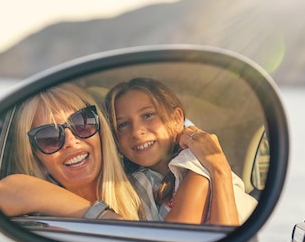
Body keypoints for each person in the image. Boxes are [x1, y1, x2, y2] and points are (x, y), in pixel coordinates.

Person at [104, 77, 258, 225]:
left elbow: (215, 238)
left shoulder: (195, 160)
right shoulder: (136, 183)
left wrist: (219, 169)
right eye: (123, 125)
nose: (136, 131)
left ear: (177, 119)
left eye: (148, 115)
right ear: (115, 140)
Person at [0, 83, 144, 221]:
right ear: (38, 159)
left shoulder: (145, 188)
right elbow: (3, 192)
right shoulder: (41, 218)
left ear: (101, 132)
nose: (70, 141)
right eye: (49, 137)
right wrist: (101, 215)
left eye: (82, 123)